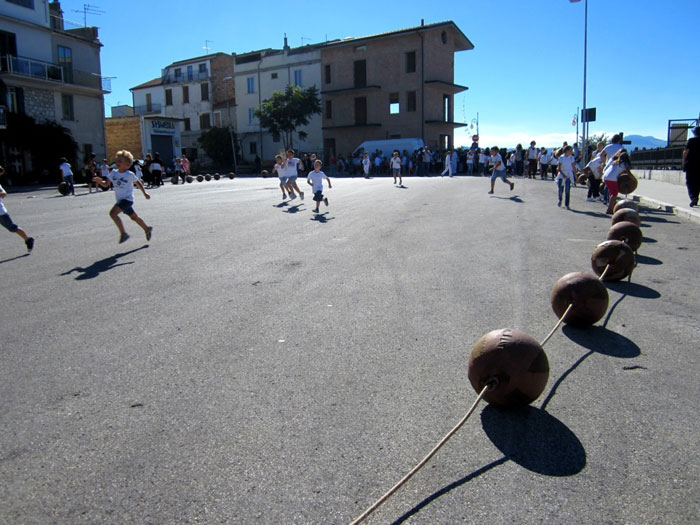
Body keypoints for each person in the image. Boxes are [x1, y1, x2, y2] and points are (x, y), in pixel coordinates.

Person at [93, 150, 152, 243]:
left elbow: (138, 182)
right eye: (117, 161)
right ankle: (147, 229)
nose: (117, 163)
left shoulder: (129, 174)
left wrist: (144, 193)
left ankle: (124, 233)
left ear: (127, 164)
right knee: (134, 217)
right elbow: (105, 184)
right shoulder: (113, 173)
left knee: (113, 213)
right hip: (120, 200)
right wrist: (100, 181)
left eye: (120, 161)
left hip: (127, 200)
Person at [0, 167, 34, 252]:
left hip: (1, 213)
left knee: (12, 227)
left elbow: (4, 193)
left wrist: (1, 193)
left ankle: (28, 239)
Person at [602, 148, 631, 215]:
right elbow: (628, 174)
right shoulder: (624, 164)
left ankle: (613, 206)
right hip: (612, 178)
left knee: (612, 193)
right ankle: (609, 209)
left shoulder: (616, 162)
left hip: (606, 177)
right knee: (614, 194)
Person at [682, 126, 700, 207]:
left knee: (690, 182)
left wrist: (684, 161)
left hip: (691, 164)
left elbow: (686, 151)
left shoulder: (691, 140)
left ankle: (694, 197)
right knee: (698, 181)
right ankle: (696, 196)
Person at [556, 146, 577, 210]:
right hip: (562, 175)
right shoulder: (561, 158)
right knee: (560, 190)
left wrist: (575, 176)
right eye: (570, 150)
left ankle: (567, 204)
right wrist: (563, 174)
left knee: (567, 190)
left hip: (568, 175)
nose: (571, 151)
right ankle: (560, 199)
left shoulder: (571, 158)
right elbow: (559, 168)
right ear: (567, 151)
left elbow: (573, 167)